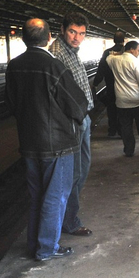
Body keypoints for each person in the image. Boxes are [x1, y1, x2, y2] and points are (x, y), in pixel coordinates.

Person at [5, 18, 87, 261]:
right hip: (58, 144)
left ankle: (35, 245)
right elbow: (77, 105)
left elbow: (10, 103)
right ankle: (47, 248)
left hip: (29, 143)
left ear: (23, 38)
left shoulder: (14, 65)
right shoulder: (53, 66)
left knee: (37, 196)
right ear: (50, 36)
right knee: (56, 196)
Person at [49, 12, 93, 237]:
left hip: (83, 118)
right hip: (74, 121)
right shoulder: (57, 53)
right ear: (63, 29)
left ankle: (69, 214)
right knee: (75, 172)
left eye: (81, 33)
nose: (77, 37)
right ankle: (70, 221)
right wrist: (77, 118)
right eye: (72, 32)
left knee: (83, 168)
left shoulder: (72, 52)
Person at [107, 41, 139, 157]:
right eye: (138, 50)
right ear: (132, 49)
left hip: (121, 101)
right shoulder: (136, 62)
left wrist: (119, 53)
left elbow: (109, 55)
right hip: (137, 100)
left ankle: (129, 150)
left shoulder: (114, 60)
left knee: (126, 127)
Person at [93, 32, 126, 137]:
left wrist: (95, 83)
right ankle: (121, 130)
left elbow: (101, 69)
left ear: (113, 40)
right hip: (124, 86)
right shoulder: (126, 52)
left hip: (111, 85)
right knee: (122, 109)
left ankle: (112, 130)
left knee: (111, 108)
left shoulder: (107, 52)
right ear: (123, 40)